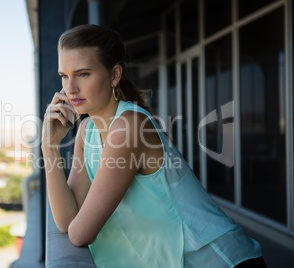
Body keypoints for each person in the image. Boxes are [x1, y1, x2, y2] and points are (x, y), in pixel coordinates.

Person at [41, 24, 266, 268]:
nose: (70, 88)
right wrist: (49, 146)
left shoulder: (129, 127)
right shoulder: (87, 130)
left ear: (115, 75)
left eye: (83, 74)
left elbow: (80, 233)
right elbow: (67, 221)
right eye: (64, 75)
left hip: (222, 261)